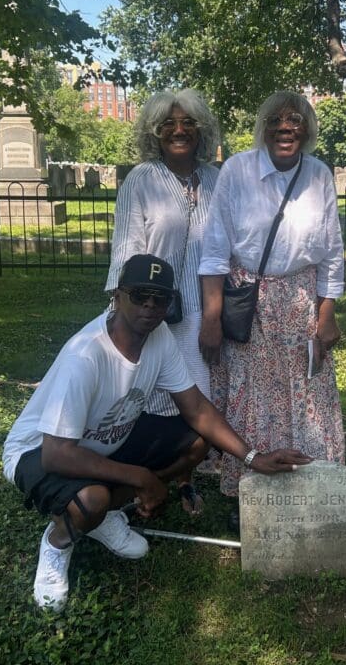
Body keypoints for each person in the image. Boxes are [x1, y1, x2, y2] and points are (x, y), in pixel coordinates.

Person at [3, 254, 310, 612]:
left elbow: (196, 408)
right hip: (38, 449)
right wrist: (141, 477)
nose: (150, 307)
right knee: (91, 500)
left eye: (160, 298)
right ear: (117, 296)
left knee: (196, 442)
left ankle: (102, 519)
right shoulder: (85, 356)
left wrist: (253, 457)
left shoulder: (159, 335)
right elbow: (57, 453)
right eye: (140, 295)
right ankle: (58, 542)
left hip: (103, 441)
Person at [198, 90, 346, 520]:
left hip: (301, 302)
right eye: (278, 120)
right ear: (264, 127)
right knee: (254, 391)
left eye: (297, 119)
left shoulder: (319, 174)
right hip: (248, 302)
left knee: (306, 390)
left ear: (308, 128)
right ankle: (250, 480)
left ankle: (308, 474)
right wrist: (211, 317)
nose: (287, 127)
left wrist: (327, 314)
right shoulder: (237, 171)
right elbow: (215, 249)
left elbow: (332, 251)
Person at [105, 89, 223, 513]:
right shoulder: (141, 180)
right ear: (154, 132)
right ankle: (139, 481)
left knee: (196, 405)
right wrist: (124, 312)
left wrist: (215, 314)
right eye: (168, 124)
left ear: (201, 130)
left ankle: (186, 477)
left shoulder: (215, 180)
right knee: (147, 402)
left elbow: (227, 250)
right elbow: (126, 248)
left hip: (202, 311)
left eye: (188, 123)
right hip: (151, 313)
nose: (179, 130)